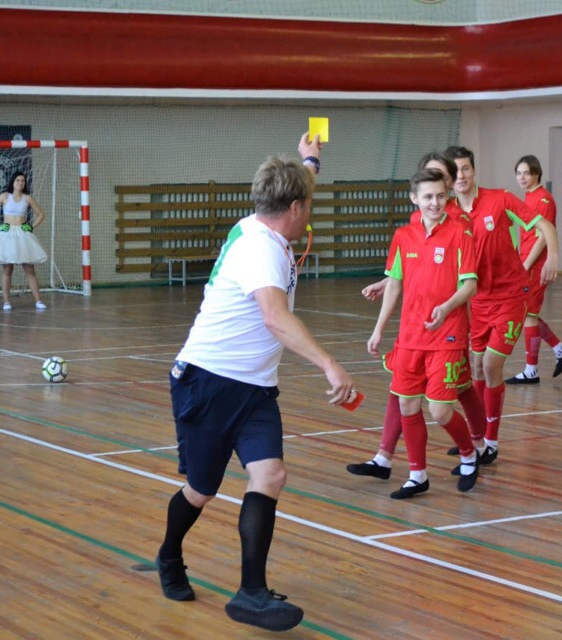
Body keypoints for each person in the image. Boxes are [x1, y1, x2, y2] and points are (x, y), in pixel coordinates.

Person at [156, 133, 354, 632]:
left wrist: (309, 161)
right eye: (307, 203)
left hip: (255, 389)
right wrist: (329, 364)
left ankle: (251, 592)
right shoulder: (261, 249)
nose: (309, 210)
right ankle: (169, 555)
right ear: (294, 208)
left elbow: (299, 187)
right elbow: (274, 317)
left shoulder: (264, 220)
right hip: (208, 381)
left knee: (270, 475)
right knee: (201, 489)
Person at [348, 152, 488, 481]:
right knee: (407, 401)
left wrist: (446, 307)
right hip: (412, 334)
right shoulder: (406, 233)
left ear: (448, 189)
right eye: (427, 196)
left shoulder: (461, 229)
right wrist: (379, 325)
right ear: (415, 197)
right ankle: (412, 472)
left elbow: (467, 282)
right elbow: (401, 277)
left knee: (445, 404)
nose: (434, 202)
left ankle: (475, 448)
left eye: (440, 194)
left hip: (448, 332)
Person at [445, 145, 558, 463]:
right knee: (476, 370)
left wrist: (554, 256)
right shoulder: (449, 212)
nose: (461, 175)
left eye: (466, 168)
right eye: (456, 171)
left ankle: (491, 443)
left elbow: (545, 226)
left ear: (474, 171)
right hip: (478, 302)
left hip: (510, 297)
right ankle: (477, 437)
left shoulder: (500, 199)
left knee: (491, 366)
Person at [506, 155, 562, 384]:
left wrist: (527, 264)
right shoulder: (528, 197)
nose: (522, 177)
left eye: (526, 173)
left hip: (535, 265)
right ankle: (560, 350)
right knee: (528, 313)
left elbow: (544, 236)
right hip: (526, 262)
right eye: (518, 173)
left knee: (528, 314)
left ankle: (532, 370)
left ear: (536, 174)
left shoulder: (543, 200)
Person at [0, 172, 48, 310]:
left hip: (22, 235)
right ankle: (6, 302)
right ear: (13, 182)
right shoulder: (5, 196)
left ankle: (38, 301)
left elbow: (41, 214)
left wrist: (31, 226)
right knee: (7, 269)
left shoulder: (27, 198)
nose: (20, 183)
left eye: (23, 181)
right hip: (7, 235)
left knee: (29, 269)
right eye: (18, 180)